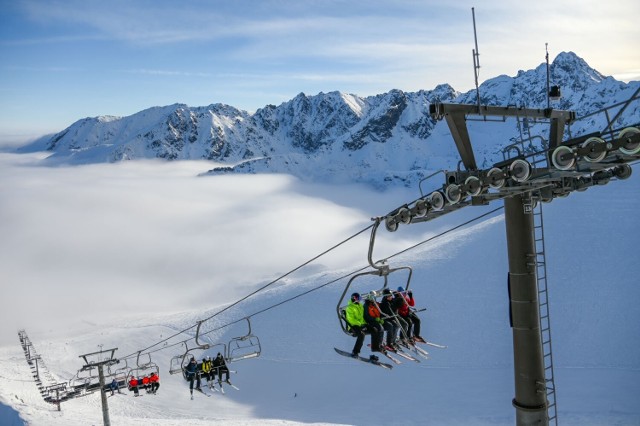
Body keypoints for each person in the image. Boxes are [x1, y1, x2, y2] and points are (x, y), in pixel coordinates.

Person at [344, 292, 378, 361]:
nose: (359, 300)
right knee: (362, 334)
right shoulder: (349, 307)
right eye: (358, 298)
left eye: (360, 299)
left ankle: (375, 347)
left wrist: (365, 324)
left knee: (374, 330)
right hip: (352, 326)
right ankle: (355, 352)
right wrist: (361, 325)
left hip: (360, 325)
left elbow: (361, 318)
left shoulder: (360, 306)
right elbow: (351, 320)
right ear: (354, 298)